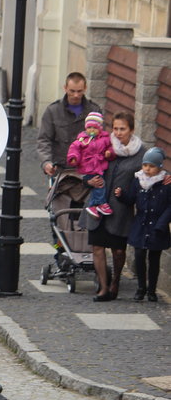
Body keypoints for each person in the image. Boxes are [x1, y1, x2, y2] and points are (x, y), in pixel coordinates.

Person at [78, 112, 144, 302]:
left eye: (122, 129)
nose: (118, 132)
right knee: (97, 247)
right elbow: (86, 166)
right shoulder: (102, 144)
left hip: (120, 209)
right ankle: (103, 287)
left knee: (118, 250)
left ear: (131, 129)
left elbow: (151, 173)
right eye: (115, 128)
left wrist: (164, 178)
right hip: (97, 205)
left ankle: (115, 282)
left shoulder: (141, 153)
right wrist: (89, 182)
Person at [115, 147, 170, 302]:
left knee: (154, 258)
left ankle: (151, 290)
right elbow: (131, 198)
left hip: (157, 227)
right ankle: (141, 287)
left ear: (159, 166)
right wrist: (121, 196)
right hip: (140, 225)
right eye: (145, 165)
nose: (147, 169)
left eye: (151, 166)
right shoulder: (138, 180)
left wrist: (162, 223)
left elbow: (169, 206)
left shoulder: (166, 183)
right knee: (139, 255)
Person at [36, 72, 101, 178]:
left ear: (85, 88)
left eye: (79, 91)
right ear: (65, 88)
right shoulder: (53, 111)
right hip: (60, 169)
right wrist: (46, 162)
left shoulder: (94, 110)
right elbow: (43, 140)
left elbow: (101, 139)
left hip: (86, 170)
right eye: (72, 91)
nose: (76, 95)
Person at [67, 112, 116, 218]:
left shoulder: (105, 138)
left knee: (98, 185)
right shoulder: (82, 139)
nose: (91, 130)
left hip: (99, 166)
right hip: (88, 167)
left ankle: (95, 205)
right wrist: (74, 158)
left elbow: (110, 148)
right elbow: (74, 148)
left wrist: (109, 153)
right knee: (99, 184)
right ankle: (99, 204)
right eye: (89, 128)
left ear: (100, 128)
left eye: (94, 128)